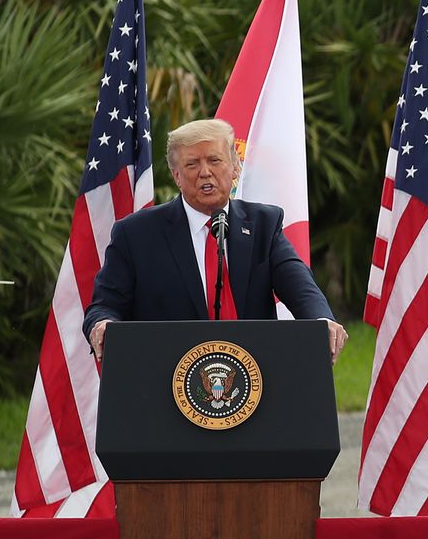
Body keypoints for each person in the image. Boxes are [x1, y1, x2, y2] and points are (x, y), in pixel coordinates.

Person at [84, 118, 348, 362]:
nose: (205, 172)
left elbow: (301, 288)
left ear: (235, 167)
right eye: (192, 164)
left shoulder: (263, 226)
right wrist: (103, 324)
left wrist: (321, 320)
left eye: (214, 160)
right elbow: (104, 306)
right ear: (176, 176)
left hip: (253, 377)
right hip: (166, 377)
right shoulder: (136, 234)